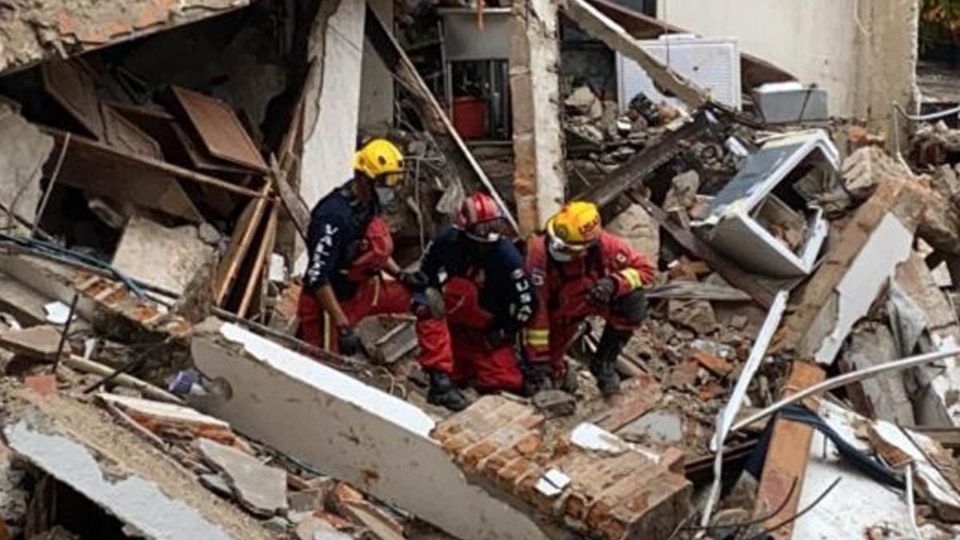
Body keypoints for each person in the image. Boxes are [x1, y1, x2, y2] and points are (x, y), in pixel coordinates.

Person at [296, 138, 468, 411]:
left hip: (366, 290)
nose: (390, 189)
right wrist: (343, 326)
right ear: (363, 178)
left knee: (429, 301)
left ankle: (440, 382)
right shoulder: (332, 216)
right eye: (384, 182)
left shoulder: (368, 204)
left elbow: (374, 250)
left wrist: (401, 276)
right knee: (322, 379)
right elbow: (318, 277)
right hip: (329, 306)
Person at [524, 201, 654, 396]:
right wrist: (538, 359)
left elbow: (645, 270)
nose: (557, 250)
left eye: (568, 249)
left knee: (633, 302)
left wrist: (614, 283)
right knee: (541, 370)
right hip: (559, 314)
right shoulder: (539, 255)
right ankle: (557, 374)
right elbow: (537, 312)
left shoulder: (607, 247)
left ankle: (604, 363)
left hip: (594, 300)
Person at [417, 192, 536, 394]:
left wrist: (506, 330)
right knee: (436, 300)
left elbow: (528, 302)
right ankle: (440, 376)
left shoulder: (507, 257)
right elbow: (425, 274)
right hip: (453, 323)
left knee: (507, 381)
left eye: (493, 226)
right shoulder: (446, 242)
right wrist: (432, 298)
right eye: (483, 227)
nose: (488, 233)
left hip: (488, 329)